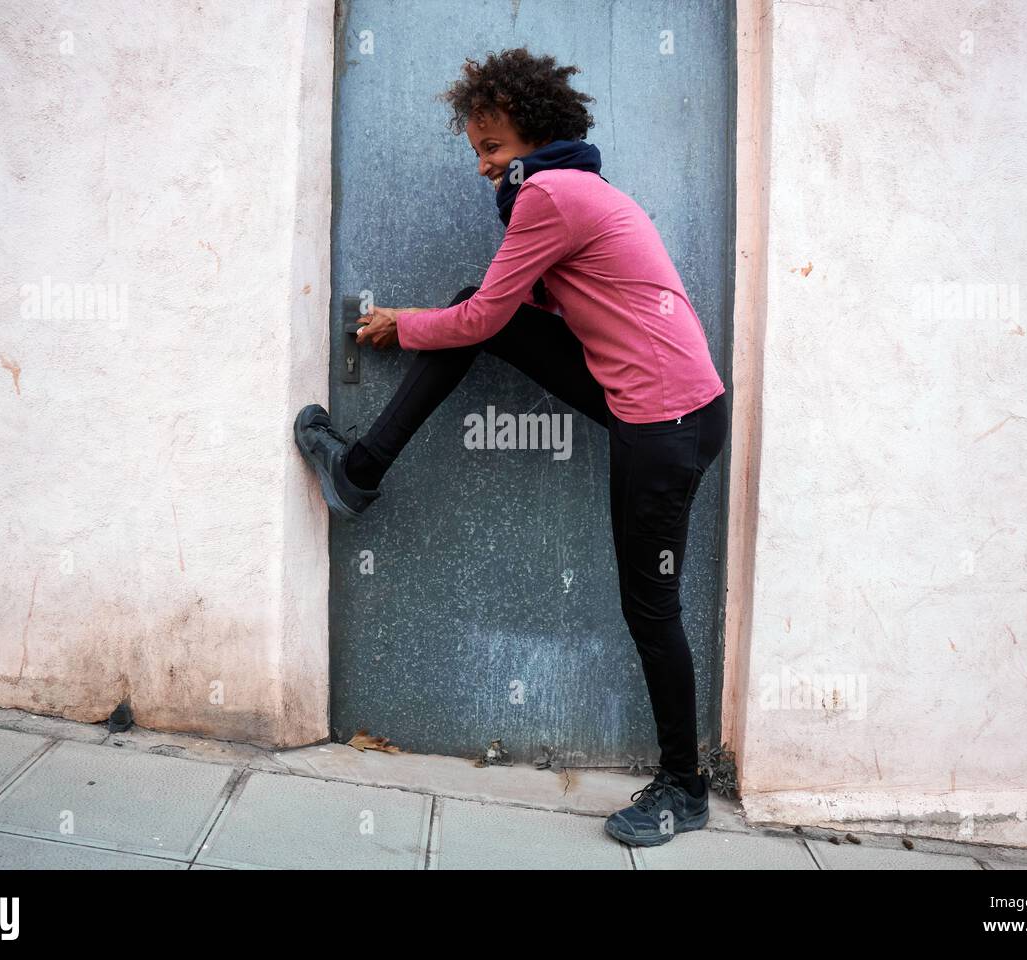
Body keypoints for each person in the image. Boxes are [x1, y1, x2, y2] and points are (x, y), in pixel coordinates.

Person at [294, 47, 729, 847]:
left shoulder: (549, 197)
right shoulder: (573, 189)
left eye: (491, 148)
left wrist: (403, 323)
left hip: (662, 423)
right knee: (473, 308)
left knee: (650, 606)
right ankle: (357, 470)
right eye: (476, 151)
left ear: (531, 136)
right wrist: (448, 319)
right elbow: (503, 307)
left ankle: (683, 789)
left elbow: (485, 318)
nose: (484, 166)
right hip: (658, 401)